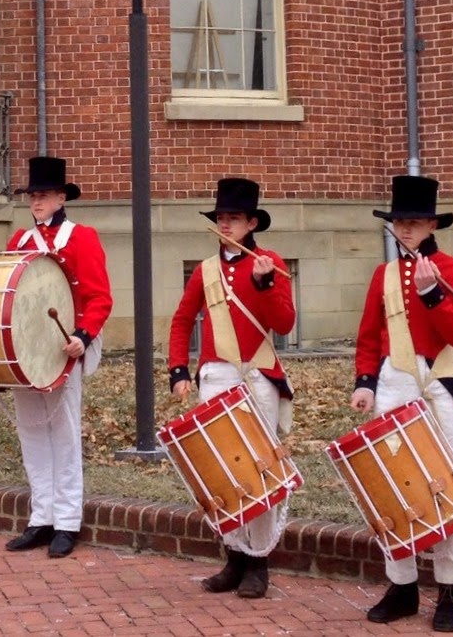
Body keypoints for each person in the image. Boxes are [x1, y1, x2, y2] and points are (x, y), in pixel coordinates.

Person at [351, 175, 453, 632]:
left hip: (439, 382)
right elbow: (368, 337)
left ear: (431, 224)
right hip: (393, 382)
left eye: (414, 222)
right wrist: (365, 381)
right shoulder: (383, 275)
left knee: (448, 483)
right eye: (399, 222)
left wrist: (433, 293)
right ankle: (401, 584)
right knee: (392, 483)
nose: (405, 230)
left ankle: (452, 586)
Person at [168, 177, 296, 599]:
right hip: (217, 376)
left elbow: (285, 324)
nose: (226, 225)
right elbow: (182, 320)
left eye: (234, 218)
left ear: (251, 223)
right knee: (223, 470)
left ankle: (259, 561)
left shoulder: (270, 262)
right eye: (221, 218)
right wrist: (178, 370)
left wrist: (265, 285)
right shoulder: (205, 270)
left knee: (259, 469)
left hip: (258, 375)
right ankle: (234, 556)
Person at [4, 156, 113, 559]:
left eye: (44, 195)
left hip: (66, 346)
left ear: (61, 198)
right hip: (27, 349)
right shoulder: (18, 242)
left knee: (64, 434)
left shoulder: (81, 237)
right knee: (31, 431)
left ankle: (67, 522)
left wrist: (83, 336)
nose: (36, 201)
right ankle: (41, 518)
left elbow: (100, 297)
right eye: (33, 195)